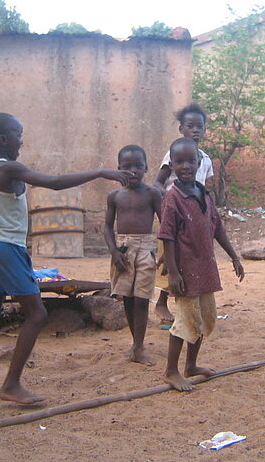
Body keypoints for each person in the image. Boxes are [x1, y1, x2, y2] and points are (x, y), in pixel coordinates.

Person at [0, 112, 130, 405]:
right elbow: (55, 182)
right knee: (37, 314)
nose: (22, 140)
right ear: (4, 139)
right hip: (7, 248)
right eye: (18, 134)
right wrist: (99, 172)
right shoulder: (9, 168)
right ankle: (11, 384)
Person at [158, 137, 244, 391]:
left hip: (205, 269)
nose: (185, 166)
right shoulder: (172, 198)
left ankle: (191, 366)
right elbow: (167, 237)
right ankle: (171, 371)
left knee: (204, 319)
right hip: (185, 271)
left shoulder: (204, 194)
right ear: (171, 164)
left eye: (190, 161)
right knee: (185, 321)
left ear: (199, 163)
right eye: (180, 161)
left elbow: (218, 229)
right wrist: (173, 273)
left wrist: (235, 257)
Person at [153, 103, 214, 325]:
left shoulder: (205, 159)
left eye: (200, 126)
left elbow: (203, 189)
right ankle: (161, 303)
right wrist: (168, 208)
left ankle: (187, 306)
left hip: (194, 221)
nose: (195, 130)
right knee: (170, 262)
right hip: (175, 217)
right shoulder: (174, 153)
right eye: (190, 126)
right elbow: (158, 184)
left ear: (205, 129)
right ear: (181, 129)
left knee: (190, 262)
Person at [104, 145, 162, 365]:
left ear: (146, 167)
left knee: (142, 298)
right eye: (127, 167)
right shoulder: (114, 196)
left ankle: (139, 345)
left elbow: (164, 222)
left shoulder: (152, 194)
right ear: (119, 169)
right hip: (123, 250)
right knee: (127, 298)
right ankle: (135, 344)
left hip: (146, 248)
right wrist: (113, 252)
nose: (133, 171)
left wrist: (165, 251)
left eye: (138, 166)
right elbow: (108, 227)